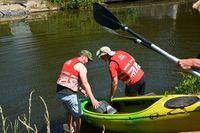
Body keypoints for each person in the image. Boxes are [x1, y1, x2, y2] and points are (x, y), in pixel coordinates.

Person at [56, 50, 101, 133]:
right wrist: (93, 99)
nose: (88, 62)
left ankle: (70, 129)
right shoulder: (82, 67)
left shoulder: (68, 62)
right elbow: (85, 83)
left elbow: (70, 79)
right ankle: (77, 131)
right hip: (69, 93)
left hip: (59, 91)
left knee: (69, 111)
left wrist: (81, 90)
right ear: (84, 57)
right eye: (88, 59)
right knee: (78, 115)